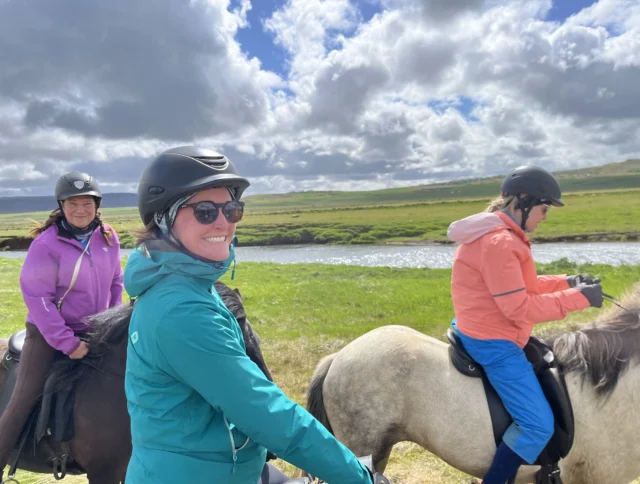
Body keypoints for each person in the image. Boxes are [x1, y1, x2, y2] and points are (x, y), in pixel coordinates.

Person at [123, 146, 389, 484]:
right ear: (164, 219)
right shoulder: (182, 311)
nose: (223, 221)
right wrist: (360, 478)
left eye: (232, 209)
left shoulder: (188, 285)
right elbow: (264, 412)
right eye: (205, 211)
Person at [447, 165, 603, 484]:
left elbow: (520, 285)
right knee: (537, 425)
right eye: (544, 209)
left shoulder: (493, 235)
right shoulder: (500, 243)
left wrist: (567, 281)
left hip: (482, 325)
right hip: (494, 341)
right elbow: (519, 307)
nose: (544, 217)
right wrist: (580, 299)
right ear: (524, 202)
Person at [0, 172, 124, 476]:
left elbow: (116, 282)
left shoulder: (108, 236)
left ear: (97, 205)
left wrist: (112, 322)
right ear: (61, 205)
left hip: (97, 329)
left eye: (87, 203)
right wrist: (67, 342)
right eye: (73, 204)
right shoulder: (46, 245)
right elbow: (37, 298)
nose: (80, 210)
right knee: (22, 399)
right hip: (47, 333)